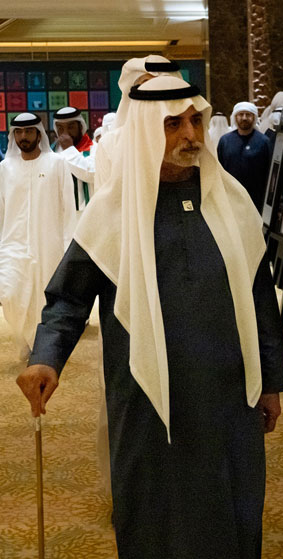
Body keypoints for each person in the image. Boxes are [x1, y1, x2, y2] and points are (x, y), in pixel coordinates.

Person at [16, 76, 283, 559]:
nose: (190, 135)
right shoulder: (113, 215)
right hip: (149, 405)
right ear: (143, 132)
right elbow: (67, 301)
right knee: (159, 527)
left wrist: (271, 382)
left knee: (235, 521)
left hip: (229, 402)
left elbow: (261, 299)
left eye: (195, 120)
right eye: (173, 124)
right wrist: (46, 358)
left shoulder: (232, 203)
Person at [0, 113, 76, 360]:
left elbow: (68, 208)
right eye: (19, 132)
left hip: (48, 244)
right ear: (13, 136)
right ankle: (24, 334)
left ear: (38, 133)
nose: (24, 136)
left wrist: (68, 247)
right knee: (9, 293)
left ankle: (37, 346)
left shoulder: (56, 164)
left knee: (42, 297)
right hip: (12, 244)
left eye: (28, 131)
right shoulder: (5, 169)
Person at [93, 56, 183, 189]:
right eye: (146, 85)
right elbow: (104, 198)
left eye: (161, 85)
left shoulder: (190, 138)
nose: (155, 93)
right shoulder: (110, 144)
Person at [217, 101, 273, 211]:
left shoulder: (264, 141)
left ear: (254, 117)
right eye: (240, 114)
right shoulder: (225, 141)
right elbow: (219, 169)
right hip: (231, 199)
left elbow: (269, 171)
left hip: (256, 200)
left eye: (248, 115)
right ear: (235, 117)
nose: (244, 118)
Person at [54, 106, 96, 214]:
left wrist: (69, 150)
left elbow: (92, 174)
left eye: (71, 127)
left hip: (88, 214)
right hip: (62, 215)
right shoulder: (52, 152)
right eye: (60, 128)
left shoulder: (95, 149)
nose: (65, 133)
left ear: (81, 127)